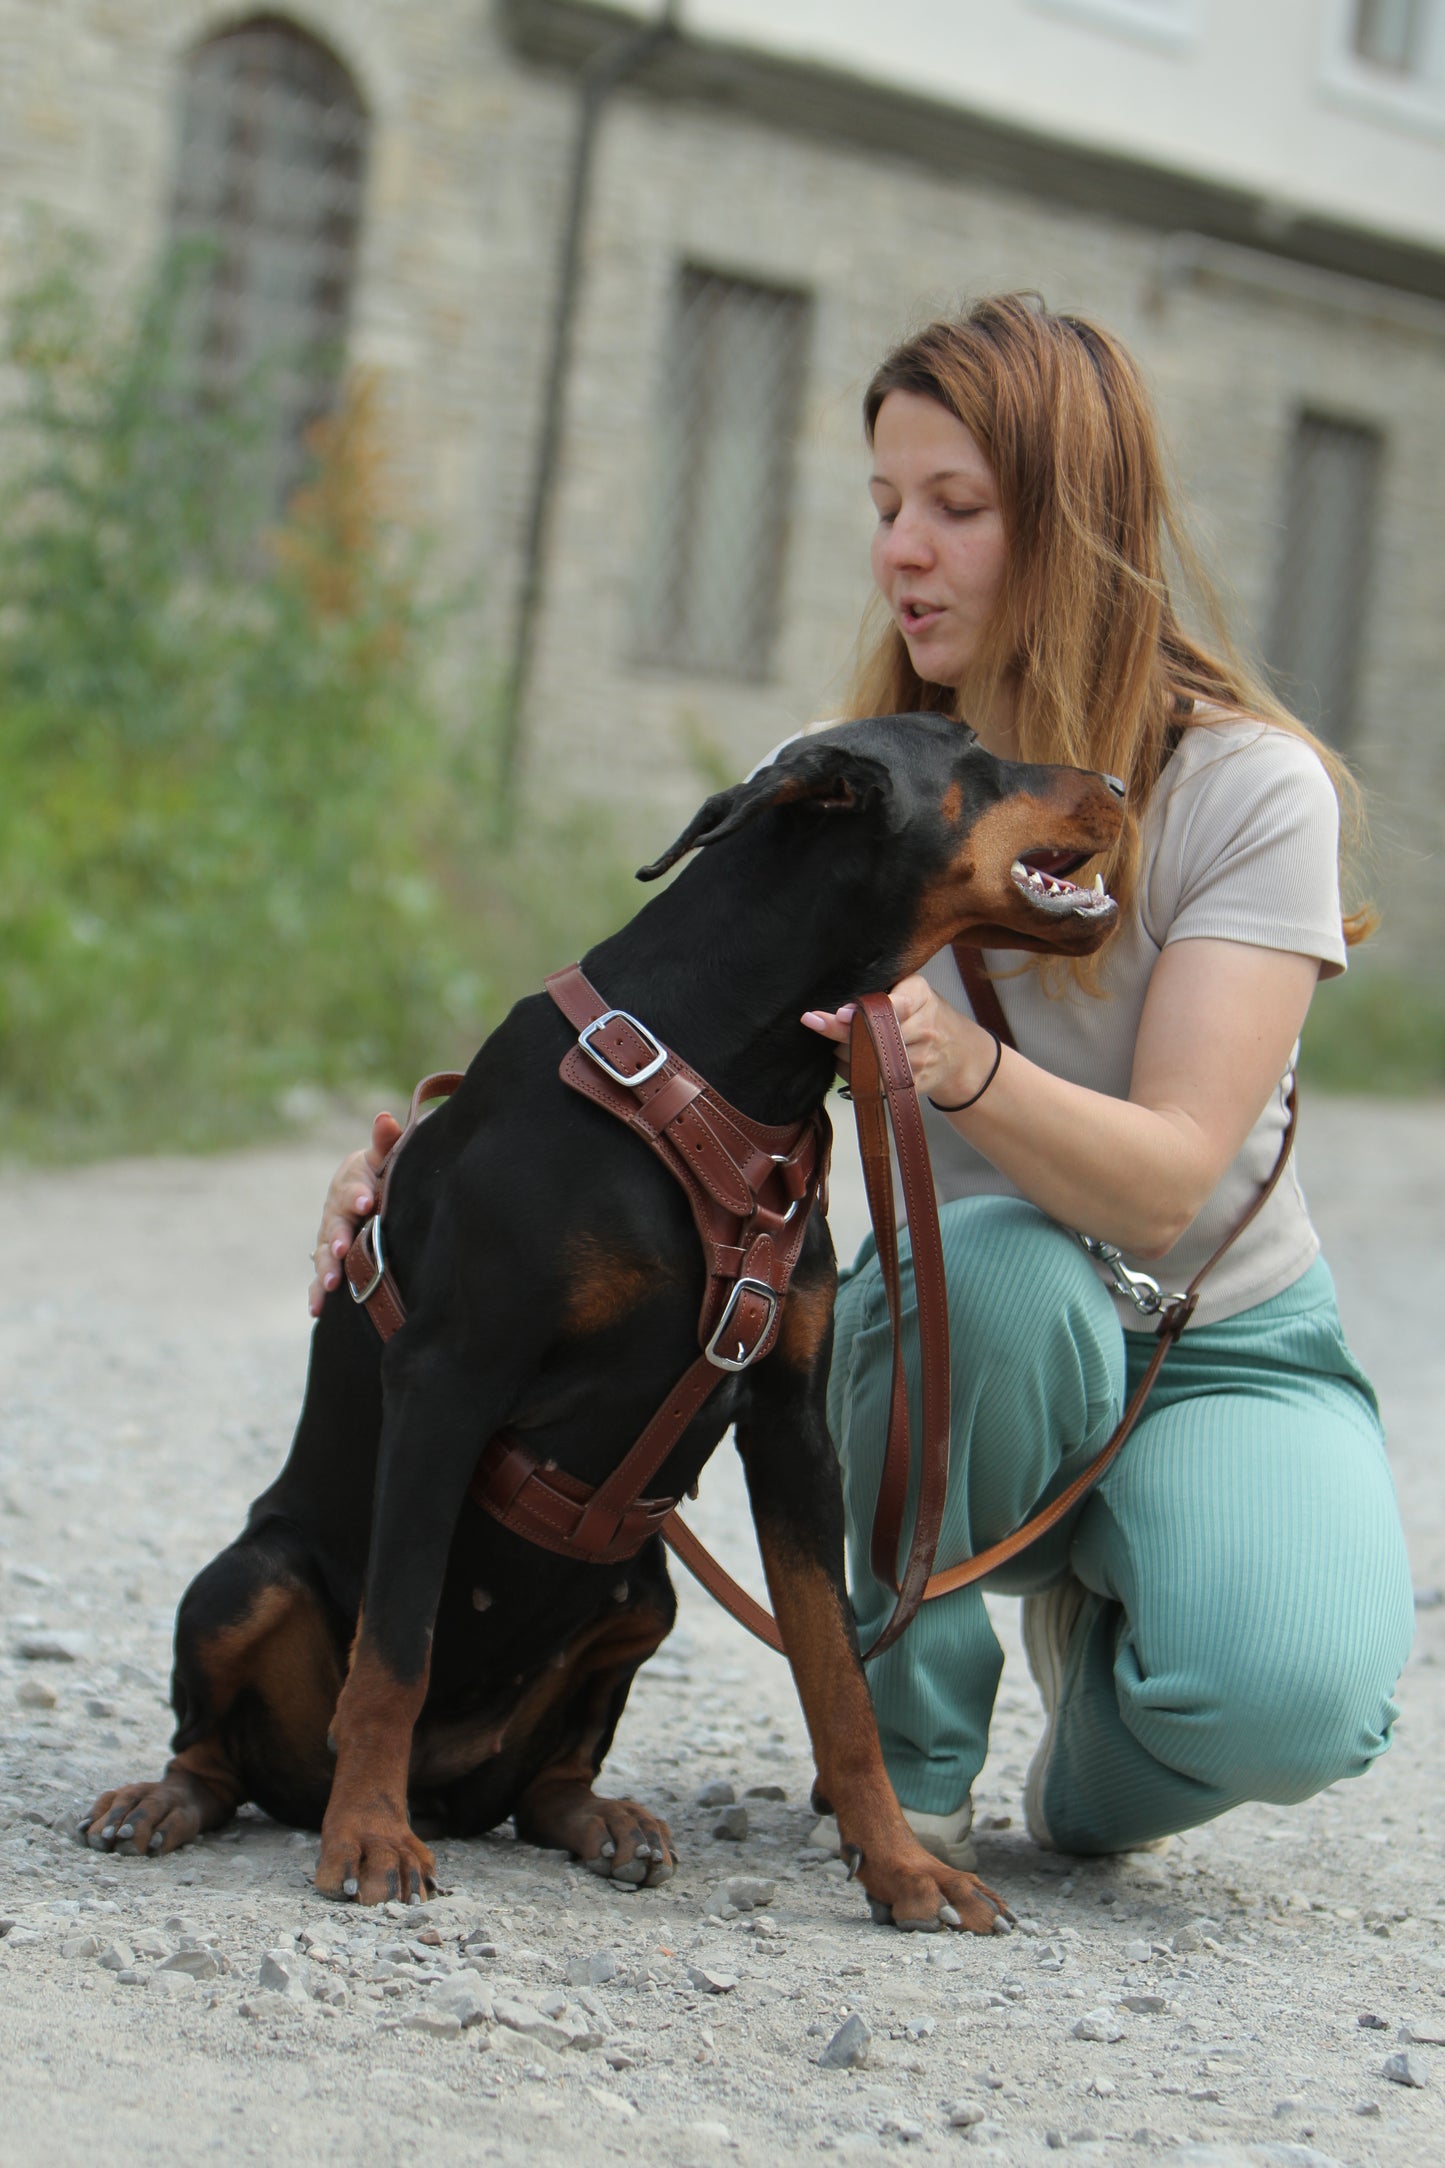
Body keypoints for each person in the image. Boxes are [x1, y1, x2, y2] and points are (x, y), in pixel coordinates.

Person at [308, 295, 1413, 1866]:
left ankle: (1098, 1720)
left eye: (956, 509)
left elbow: (1168, 1177)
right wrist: (424, 1202)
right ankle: (905, 1761)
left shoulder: (1247, 786)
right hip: (965, 1334)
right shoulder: (850, 783)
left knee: (1289, 1708)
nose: (903, 549)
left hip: (1210, 1341)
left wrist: (953, 1064)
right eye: (886, 505)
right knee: (1005, 1270)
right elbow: (617, 1094)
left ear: (1079, 528)